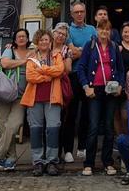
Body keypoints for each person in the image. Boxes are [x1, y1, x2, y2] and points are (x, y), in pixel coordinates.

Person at [77, 20, 125, 176]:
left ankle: (108, 162)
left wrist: (120, 85)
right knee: (93, 126)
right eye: (101, 29)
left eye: (107, 29)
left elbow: (120, 69)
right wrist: (86, 87)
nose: (104, 32)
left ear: (110, 31)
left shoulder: (113, 47)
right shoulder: (89, 46)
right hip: (94, 90)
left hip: (110, 90)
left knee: (109, 128)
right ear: (96, 30)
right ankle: (89, 163)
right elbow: (82, 68)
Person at [21, 29, 66, 176]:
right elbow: (30, 76)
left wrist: (43, 70)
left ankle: (52, 161)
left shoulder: (56, 55)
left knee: (53, 129)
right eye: (41, 40)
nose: (44, 42)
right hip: (35, 99)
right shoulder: (31, 57)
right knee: (36, 130)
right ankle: (38, 162)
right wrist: (47, 76)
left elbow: (59, 70)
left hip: (53, 98)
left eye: (46, 39)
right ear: (37, 42)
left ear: (50, 41)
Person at [0, 28, 32, 171]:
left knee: (14, 124)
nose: (21, 38)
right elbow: (5, 64)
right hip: (4, 94)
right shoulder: (9, 50)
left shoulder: (32, 52)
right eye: (18, 36)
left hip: (21, 96)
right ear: (14, 40)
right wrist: (23, 62)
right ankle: (11, 158)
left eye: (24, 36)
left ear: (28, 39)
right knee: (4, 126)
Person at [65, 2, 96, 163]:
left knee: (86, 113)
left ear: (85, 12)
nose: (79, 14)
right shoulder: (67, 30)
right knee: (71, 113)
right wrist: (85, 51)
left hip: (89, 75)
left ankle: (82, 146)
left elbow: (94, 49)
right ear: (71, 14)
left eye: (81, 11)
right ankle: (68, 149)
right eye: (76, 12)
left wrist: (79, 51)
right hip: (73, 76)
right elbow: (70, 51)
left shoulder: (92, 29)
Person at [52, 22, 76, 162]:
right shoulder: (46, 46)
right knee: (51, 121)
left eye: (63, 34)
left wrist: (53, 66)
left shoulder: (67, 50)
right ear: (53, 33)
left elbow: (67, 69)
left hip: (62, 87)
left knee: (65, 119)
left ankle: (67, 150)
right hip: (47, 87)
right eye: (58, 33)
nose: (60, 36)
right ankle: (53, 151)